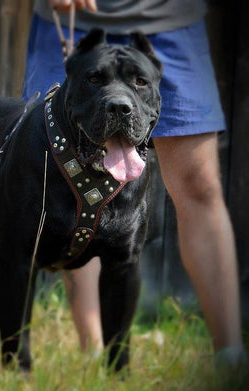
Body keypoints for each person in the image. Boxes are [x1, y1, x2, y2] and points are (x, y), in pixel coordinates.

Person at [23, 0, 247, 366]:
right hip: (74, 19)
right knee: (72, 188)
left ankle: (231, 357)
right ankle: (96, 357)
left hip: (171, 20)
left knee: (200, 186)